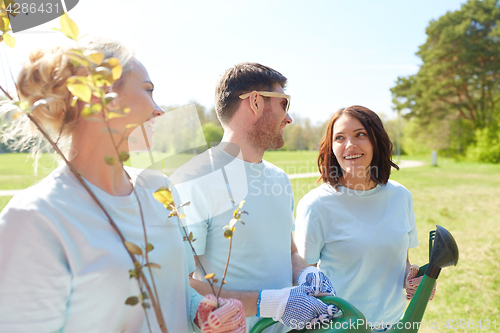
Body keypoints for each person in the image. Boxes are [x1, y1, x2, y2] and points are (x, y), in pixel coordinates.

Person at [0, 36, 245, 333]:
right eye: (147, 90)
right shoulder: (35, 218)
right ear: (100, 97)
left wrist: (201, 312)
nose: (159, 110)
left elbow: (173, 292)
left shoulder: (158, 189)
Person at [171, 62, 337, 333]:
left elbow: (290, 251)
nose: (289, 117)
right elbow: (178, 284)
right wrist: (268, 303)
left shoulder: (279, 178)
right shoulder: (194, 179)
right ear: (256, 102)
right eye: (284, 104)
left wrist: (306, 272)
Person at [295, 105, 432, 331]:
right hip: (340, 327)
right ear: (331, 147)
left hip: (395, 324)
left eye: (360, 135)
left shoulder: (400, 196)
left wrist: (413, 280)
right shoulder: (316, 205)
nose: (350, 145)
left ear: (376, 140)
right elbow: (302, 278)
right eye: (340, 138)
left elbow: (402, 261)